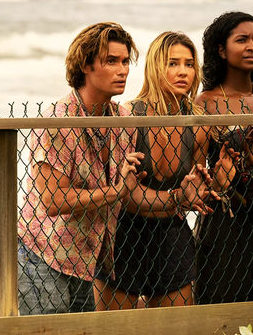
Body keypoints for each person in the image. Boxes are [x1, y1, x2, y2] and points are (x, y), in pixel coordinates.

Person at [99, 32, 236, 309]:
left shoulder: (198, 124)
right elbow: (127, 196)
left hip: (172, 235)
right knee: (116, 327)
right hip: (125, 234)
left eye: (189, 64)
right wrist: (178, 198)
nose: (183, 72)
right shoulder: (128, 116)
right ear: (155, 67)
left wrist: (217, 184)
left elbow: (193, 192)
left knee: (176, 326)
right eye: (172, 63)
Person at [17, 22, 144, 315]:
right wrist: (115, 192)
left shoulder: (124, 120)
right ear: (86, 65)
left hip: (89, 259)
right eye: (111, 61)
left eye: (125, 61)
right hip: (43, 254)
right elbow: (53, 201)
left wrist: (179, 197)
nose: (123, 70)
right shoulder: (57, 122)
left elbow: (128, 191)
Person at [194, 11, 253, 304]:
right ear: (221, 50)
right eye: (242, 40)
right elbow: (196, 173)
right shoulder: (205, 103)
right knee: (223, 306)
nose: (252, 47)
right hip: (226, 223)